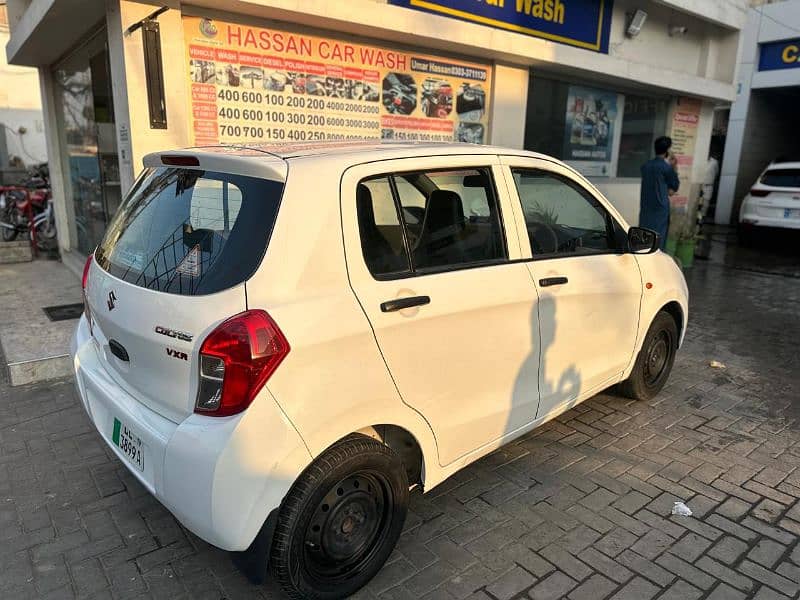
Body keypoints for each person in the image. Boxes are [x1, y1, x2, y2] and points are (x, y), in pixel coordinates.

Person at [640, 136, 680, 249]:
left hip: (646, 209)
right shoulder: (666, 168)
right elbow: (672, 190)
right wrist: (674, 167)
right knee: (658, 242)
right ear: (667, 151)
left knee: (644, 239)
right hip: (660, 211)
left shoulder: (645, 166)